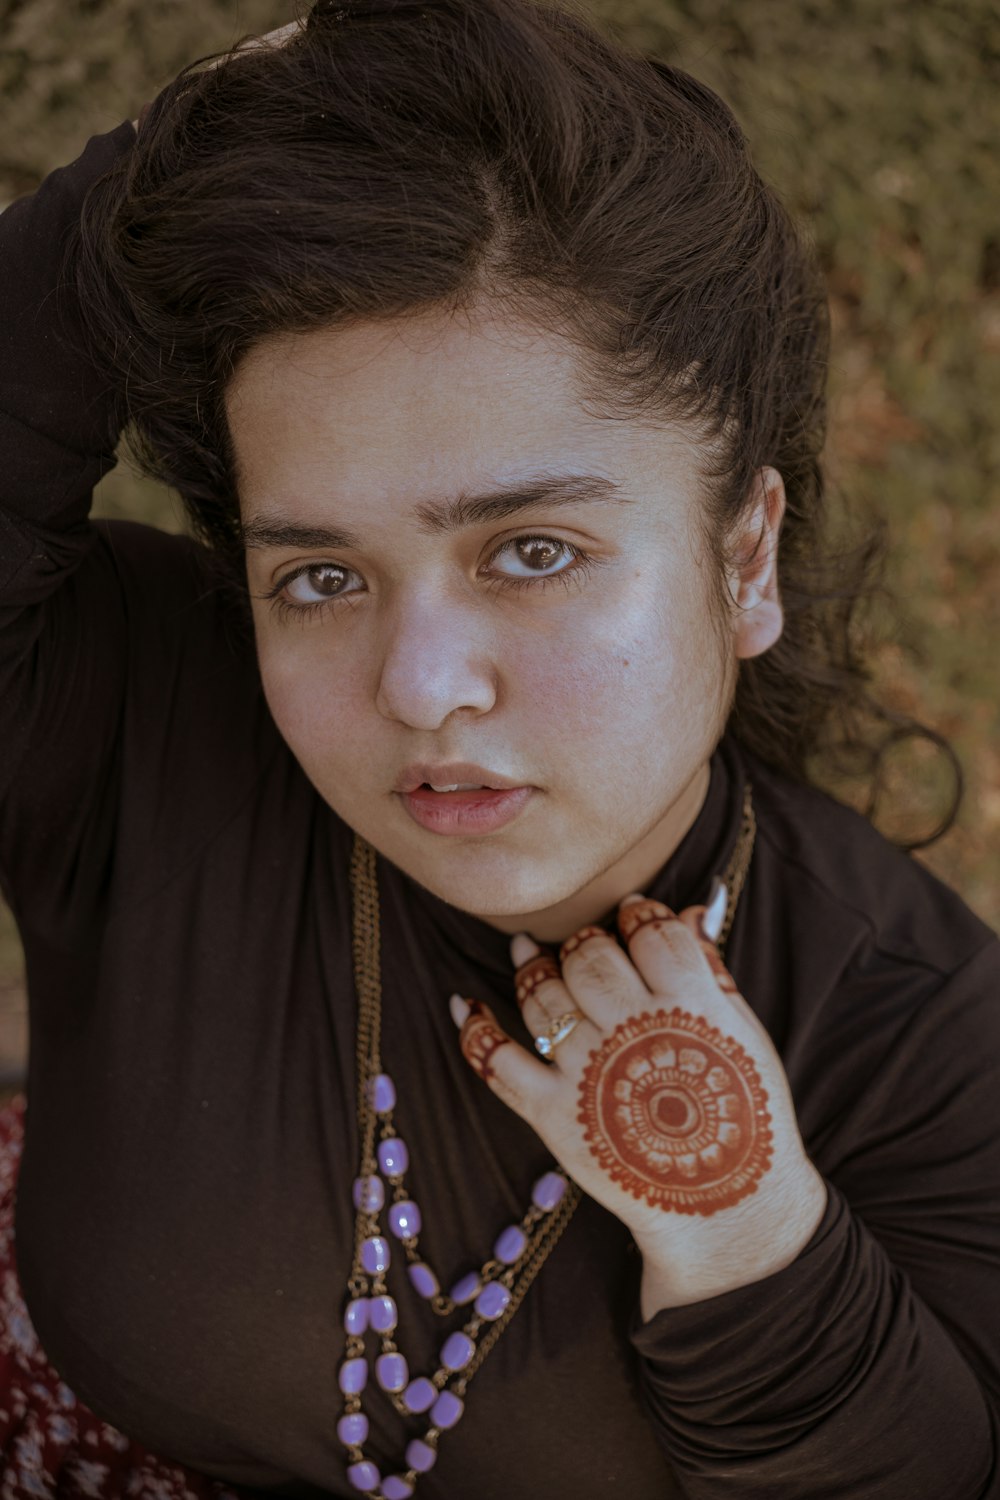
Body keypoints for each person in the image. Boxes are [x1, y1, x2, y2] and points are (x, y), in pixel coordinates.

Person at [0, 0, 997, 1495]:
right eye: (319, 577)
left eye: (532, 550)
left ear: (745, 565)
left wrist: (750, 1237)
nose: (420, 687)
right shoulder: (148, 731)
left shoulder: (927, 1041)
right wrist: (164, 159)